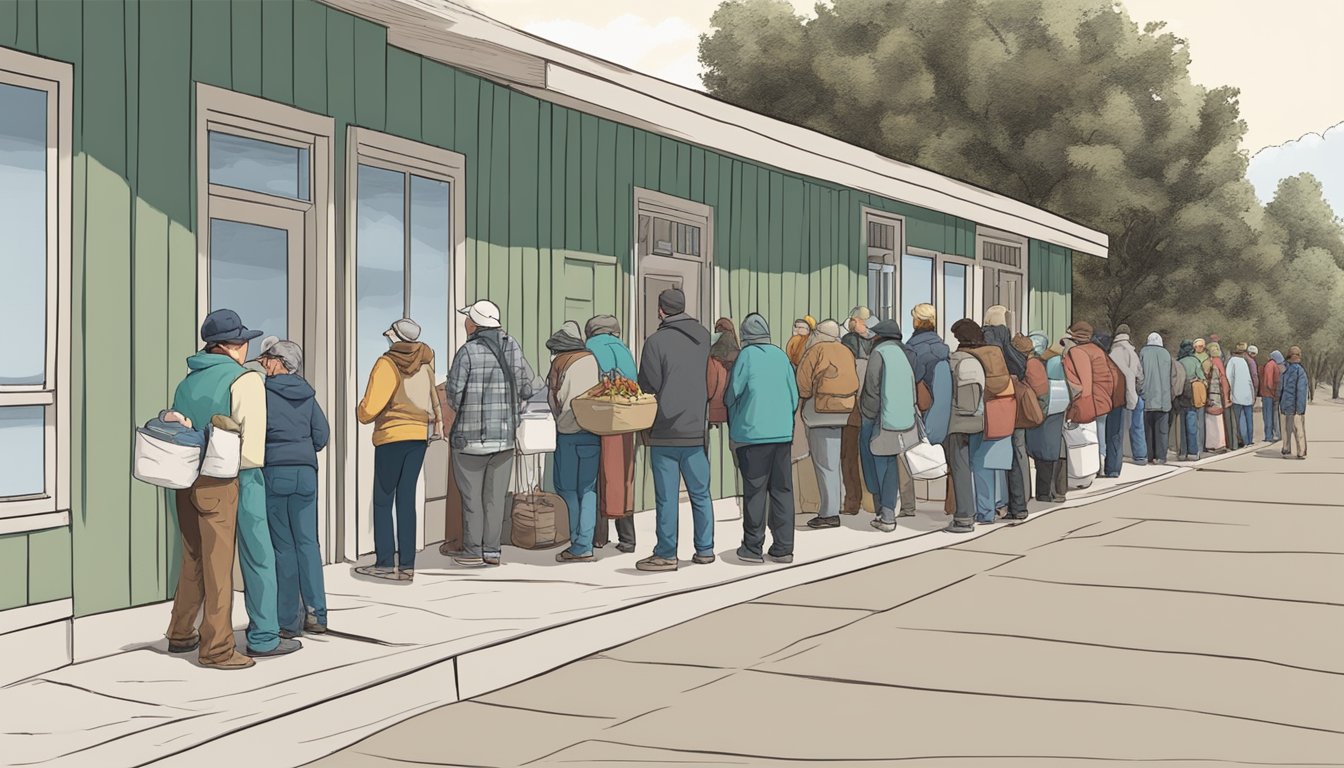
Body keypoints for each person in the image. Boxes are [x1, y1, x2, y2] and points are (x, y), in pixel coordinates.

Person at [165, 310, 280, 669]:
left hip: (186, 478)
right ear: (235, 346)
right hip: (225, 479)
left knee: (193, 557)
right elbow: (252, 450)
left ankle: (181, 632)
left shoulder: (187, 382)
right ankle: (217, 649)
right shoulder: (245, 380)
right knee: (221, 566)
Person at [445, 301, 536, 567]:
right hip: (505, 438)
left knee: (472, 498)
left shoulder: (468, 351)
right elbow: (527, 387)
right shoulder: (512, 346)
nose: (465, 324)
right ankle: (493, 551)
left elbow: (453, 393)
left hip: (470, 440)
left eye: (467, 320)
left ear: (474, 323)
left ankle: (473, 551)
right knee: (495, 500)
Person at [356, 318, 443, 579]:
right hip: (418, 437)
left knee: (383, 500)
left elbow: (369, 409)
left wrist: (360, 411)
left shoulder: (387, 364)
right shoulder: (425, 364)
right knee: (407, 500)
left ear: (395, 338)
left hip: (391, 437)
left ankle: (384, 562)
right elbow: (433, 398)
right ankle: (407, 565)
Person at [636, 289, 713, 572]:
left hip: (665, 430)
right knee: (701, 493)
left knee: (667, 496)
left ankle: (667, 553)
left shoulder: (655, 342)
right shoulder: (705, 337)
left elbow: (648, 385)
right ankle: (705, 549)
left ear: (661, 311)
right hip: (697, 427)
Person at [258, 340, 330, 638]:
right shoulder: (308, 395)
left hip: (276, 472)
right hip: (305, 474)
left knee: (284, 548)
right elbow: (322, 435)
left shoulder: (263, 394)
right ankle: (317, 614)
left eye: (267, 360)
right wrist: (301, 450)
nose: (263, 365)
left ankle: (288, 620)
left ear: (278, 363)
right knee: (308, 545)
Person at [725, 314, 798, 563]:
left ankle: (753, 547)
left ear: (745, 336)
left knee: (755, 491)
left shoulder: (746, 356)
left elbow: (732, 393)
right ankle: (784, 547)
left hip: (752, 434)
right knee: (782, 490)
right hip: (782, 435)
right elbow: (794, 396)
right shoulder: (780, 356)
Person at [546, 321, 602, 563]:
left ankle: (577, 543)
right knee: (588, 490)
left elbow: (552, 398)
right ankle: (586, 543)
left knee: (567, 489)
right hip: (592, 431)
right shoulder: (592, 359)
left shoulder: (559, 362)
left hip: (568, 433)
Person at [796, 319, 858, 529]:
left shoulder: (816, 350)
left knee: (824, 464)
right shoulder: (846, 351)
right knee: (834, 463)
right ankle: (835, 506)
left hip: (820, 413)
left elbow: (803, 383)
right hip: (844, 412)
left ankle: (829, 513)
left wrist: (805, 398)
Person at [585, 315, 639, 553]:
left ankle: (598, 536)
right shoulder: (625, 350)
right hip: (626, 421)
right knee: (623, 478)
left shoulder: (589, 349)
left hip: (598, 419)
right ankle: (627, 538)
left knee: (598, 478)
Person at [860, 319, 918, 531]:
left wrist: (867, 414)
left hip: (879, 418)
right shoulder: (904, 353)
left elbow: (872, 388)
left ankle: (884, 514)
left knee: (875, 464)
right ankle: (887, 512)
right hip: (901, 419)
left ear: (879, 336)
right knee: (890, 464)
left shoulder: (879, 353)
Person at [982, 305, 1030, 518]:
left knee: (989, 455)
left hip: (993, 405)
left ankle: (994, 504)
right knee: (1014, 456)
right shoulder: (1011, 345)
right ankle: (1019, 505)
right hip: (1013, 406)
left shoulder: (987, 339)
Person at [944, 320, 987, 532]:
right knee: (976, 466)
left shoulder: (952, 360)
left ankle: (963, 517)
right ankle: (983, 510)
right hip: (979, 421)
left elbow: (943, 394)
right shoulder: (980, 360)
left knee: (959, 469)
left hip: (957, 423)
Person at [840, 307, 877, 515]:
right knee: (868, 456)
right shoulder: (875, 345)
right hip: (870, 409)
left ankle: (853, 501)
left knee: (850, 457)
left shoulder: (848, 345)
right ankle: (871, 501)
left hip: (853, 409)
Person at [1107, 324, 1143, 476]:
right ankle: (1116, 467)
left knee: (1111, 433)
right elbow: (1137, 375)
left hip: (1111, 396)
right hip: (1126, 396)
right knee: (1121, 432)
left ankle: (1111, 468)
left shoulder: (1113, 351)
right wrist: (1133, 397)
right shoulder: (1130, 352)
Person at [1137, 332, 1178, 465]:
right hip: (1163, 398)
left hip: (1147, 397)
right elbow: (1172, 376)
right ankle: (1161, 457)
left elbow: (1140, 374)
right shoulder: (1166, 354)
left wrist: (1140, 390)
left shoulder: (1143, 352)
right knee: (1162, 430)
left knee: (1148, 429)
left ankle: (1149, 455)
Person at [1175, 340, 1205, 462]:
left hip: (1181, 393)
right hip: (1192, 393)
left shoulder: (1178, 362)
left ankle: (1183, 452)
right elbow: (1201, 377)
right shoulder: (1195, 361)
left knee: (1181, 424)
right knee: (1192, 423)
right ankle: (1193, 452)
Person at [1278, 346, 1308, 460]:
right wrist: (1300, 409)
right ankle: (1301, 451)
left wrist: (1279, 400)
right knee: (1298, 428)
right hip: (1295, 406)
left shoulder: (1285, 370)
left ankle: (1286, 448)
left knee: (1285, 429)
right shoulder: (1300, 371)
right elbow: (1301, 391)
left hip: (1285, 404)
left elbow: (1280, 388)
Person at [1202, 342, 1231, 453]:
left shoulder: (1208, 362)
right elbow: (1223, 381)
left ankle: (1212, 444)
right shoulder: (1219, 363)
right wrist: (1226, 397)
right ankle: (1220, 443)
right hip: (1218, 395)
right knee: (1218, 420)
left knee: (1210, 420)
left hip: (1210, 394)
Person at [1227, 342, 1256, 448]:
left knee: (1239, 419)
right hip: (1247, 393)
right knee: (1249, 417)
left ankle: (1244, 440)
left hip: (1237, 394)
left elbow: (1229, 378)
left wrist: (1230, 393)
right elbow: (1250, 379)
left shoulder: (1232, 361)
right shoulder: (1245, 361)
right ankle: (1250, 439)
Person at [1260, 350, 1283, 443]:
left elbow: (1268, 382)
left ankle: (1268, 436)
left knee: (1267, 415)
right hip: (1274, 394)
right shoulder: (1277, 366)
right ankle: (1276, 434)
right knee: (1274, 415)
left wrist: (1271, 391)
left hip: (1267, 394)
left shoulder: (1270, 365)